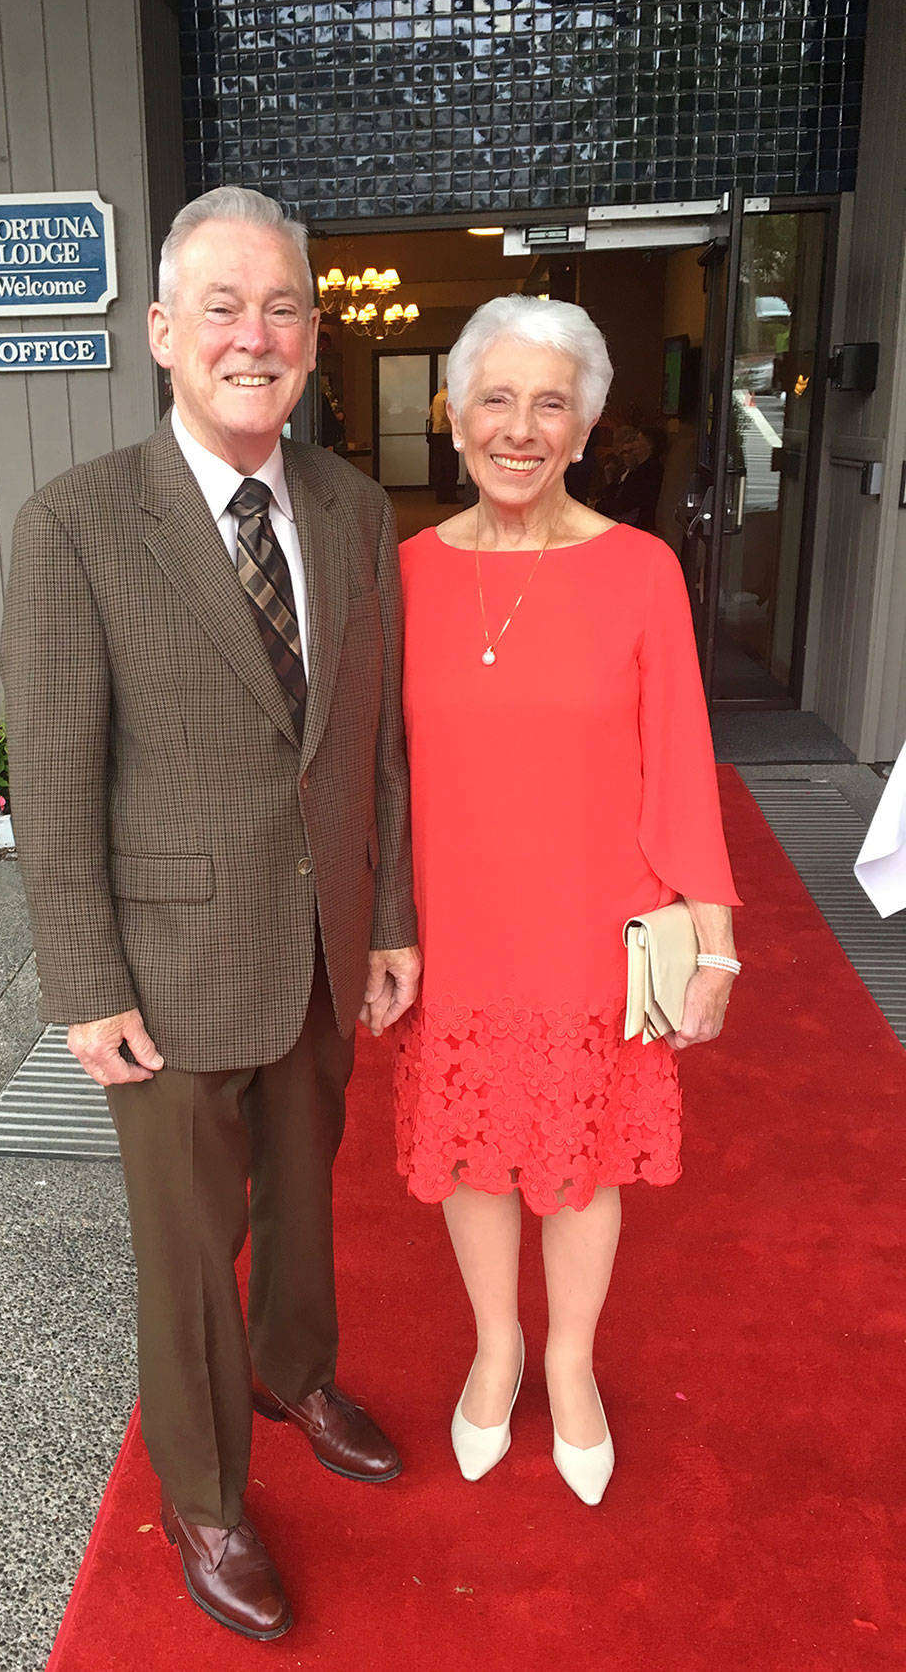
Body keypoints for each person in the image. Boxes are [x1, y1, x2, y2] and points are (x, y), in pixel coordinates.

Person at [0, 186, 420, 1641]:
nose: (260, 334)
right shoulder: (77, 524)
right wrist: (82, 978)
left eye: (285, 305)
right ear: (165, 333)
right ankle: (203, 1493)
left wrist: (390, 919)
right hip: (167, 964)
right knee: (187, 1242)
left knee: (309, 1189)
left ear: (313, 333)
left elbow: (375, 743)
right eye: (226, 308)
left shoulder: (361, 510)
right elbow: (51, 775)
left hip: (318, 942)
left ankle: (291, 1366)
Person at [392, 295, 739, 1507]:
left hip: (600, 921)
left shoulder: (639, 572)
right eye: (495, 398)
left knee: (583, 1158)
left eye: (551, 403)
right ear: (454, 416)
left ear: (587, 426)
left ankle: (571, 1364)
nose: (520, 427)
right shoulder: (406, 577)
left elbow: (682, 762)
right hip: (462, 922)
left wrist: (714, 940)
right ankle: (495, 1347)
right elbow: (379, 775)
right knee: (479, 1153)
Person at [594, 423, 666, 533]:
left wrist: (598, 508)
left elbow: (625, 504)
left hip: (635, 526)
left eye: (637, 440)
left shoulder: (649, 472)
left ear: (649, 445)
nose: (633, 445)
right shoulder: (638, 470)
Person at [428, 379, 461, 502]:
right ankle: (449, 495)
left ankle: (440, 495)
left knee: (440, 465)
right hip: (448, 434)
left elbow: (431, 415)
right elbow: (451, 418)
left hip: (436, 434)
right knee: (450, 466)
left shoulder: (437, 397)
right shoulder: (449, 398)